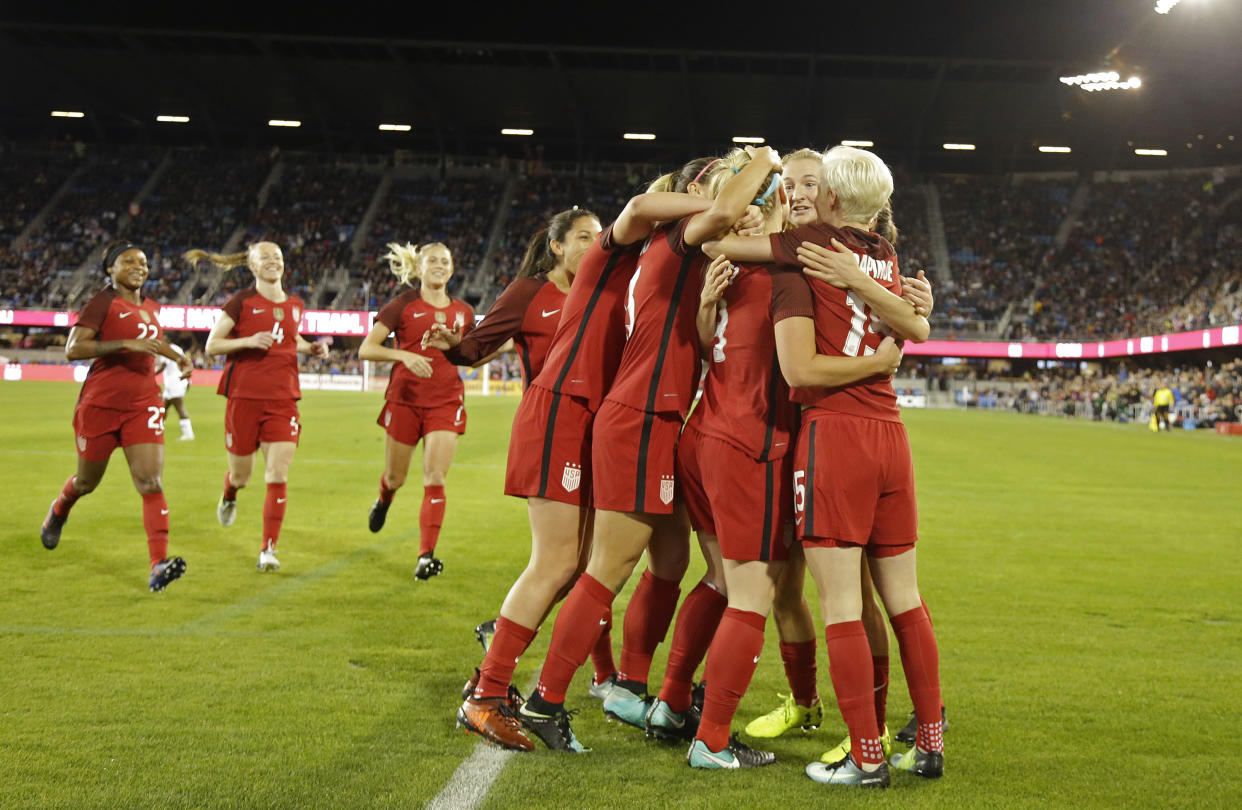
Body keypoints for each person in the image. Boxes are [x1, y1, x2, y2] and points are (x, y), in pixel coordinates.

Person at [516, 146, 784, 753]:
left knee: (671, 563)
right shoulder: (682, 232)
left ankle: (642, 688)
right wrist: (764, 160)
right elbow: (723, 207)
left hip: (660, 420)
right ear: (697, 190)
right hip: (640, 417)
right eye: (726, 184)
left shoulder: (697, 251)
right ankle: (546, 699)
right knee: (607, 568)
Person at [707, 145, 945, 787]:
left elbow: (719, 250)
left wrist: (745, 215)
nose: (800, 192)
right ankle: (927, 742)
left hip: (834, 436)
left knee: (840, 601)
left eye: (811, 184)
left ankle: (866, 756)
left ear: (833, 197)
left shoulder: (807, 250)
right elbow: (915, 327)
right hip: (892, 434)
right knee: (905, 599)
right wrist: (900, 303)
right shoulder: (889, 257)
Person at [456, 174, 720, 753]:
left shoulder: (646, 266)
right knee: (555, 564)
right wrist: (722, 199)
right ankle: (487, 694)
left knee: (575, 565)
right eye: (578, 235)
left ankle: (501, 683)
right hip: (562, 409)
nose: (590, 240)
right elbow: (643, 205)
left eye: (592, 234)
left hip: (586, 415)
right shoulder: (612, 256)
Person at [39, 241, 193, 592]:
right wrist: (124, 345)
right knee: (86, 483)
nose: (139, 266)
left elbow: (153, 340)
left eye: (143, 262)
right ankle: (60, 508)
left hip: (143, 404)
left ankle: (158, 566)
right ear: (110, 269)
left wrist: (178, 357)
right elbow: (73, 349)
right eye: (128, 262)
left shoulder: (151, 306)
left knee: (150, 482)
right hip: (100, 406)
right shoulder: (103, 303)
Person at [197, 242, 329, 572]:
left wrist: (308, 348)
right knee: (242, 475)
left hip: (284, 399)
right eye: (265, 257)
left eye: (277, 257)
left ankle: (268, 550)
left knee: (277, 473)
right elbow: (212, 345)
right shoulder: (241, 302)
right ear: (252, 266)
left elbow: (288, 338)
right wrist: (247, 341)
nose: (273, 261)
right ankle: (230, 492)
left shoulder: (296, 304)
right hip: (243, 399)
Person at [357, 241, 473, 580]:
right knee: (396, 477)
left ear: (452, 268)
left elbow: (470, 351)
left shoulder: (464, 311)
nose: (439, 265)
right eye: (432, 261)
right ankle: (384, 498)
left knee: (435, 477)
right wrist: (403, 355)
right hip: (405, 399)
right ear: (419, 268)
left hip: (446, 400)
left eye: (445, 261)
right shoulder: (403, 305)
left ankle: (426, 555)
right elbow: (367, 348)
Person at [155, 341, 195, 440]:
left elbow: (163, 366)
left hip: (174, 383)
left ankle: (189, 435)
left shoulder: (167, 349)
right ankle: (157, 430)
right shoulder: (177, 348)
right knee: (163, 407)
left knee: (179, 407)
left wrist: (152, 374)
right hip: (176, 381)